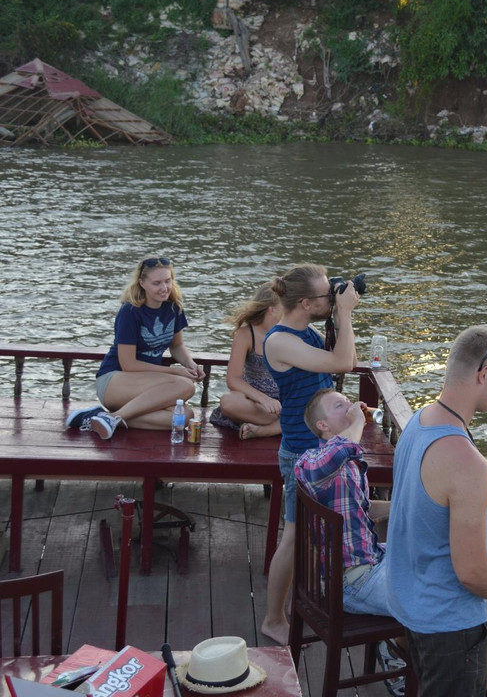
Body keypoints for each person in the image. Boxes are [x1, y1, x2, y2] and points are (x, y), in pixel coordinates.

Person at [385, 326, 487, 697]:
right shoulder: (469, 464)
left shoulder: (418, 424)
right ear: (483, 374)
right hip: (449, 629)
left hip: (410, 608)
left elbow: (428, 524)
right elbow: (469, 574)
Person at [259, 263, 361, 644]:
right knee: (293, 536)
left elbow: (340, 355)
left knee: (312, 532)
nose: (331, 298)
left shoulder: (308, 332)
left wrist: (338, 316)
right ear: (304, 302)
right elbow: (343, 363)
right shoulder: (280, 340)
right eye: (325, 295)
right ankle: (273, 619)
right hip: (302, 454)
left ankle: (312, 602)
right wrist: (345, 313)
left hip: (320, 448)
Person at [67, 256, 205, 440]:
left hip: (147, 383)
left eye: (167, 281)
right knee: (186, 386)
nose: (164, 288)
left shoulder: (174, 308)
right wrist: (176, 372)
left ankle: (102, 418)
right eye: (156, 283)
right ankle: (114, 416)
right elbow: (128, 364)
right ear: (142, 283)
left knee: (184, 417)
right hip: (114, 379)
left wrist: (190, 364)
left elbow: (177, 345)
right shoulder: (130, 311)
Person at [296, 388, 390, 614]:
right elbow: (340, 451)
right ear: (323, 425)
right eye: (340, 406)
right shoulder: (310, 462)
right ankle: (390, 649)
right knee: (433, 599)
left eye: (348, 402)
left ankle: (395, 647)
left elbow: (361, 508)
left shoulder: (348, 463)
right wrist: (357, 419)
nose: (350, 407)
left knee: (434, 557)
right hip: (352, 582)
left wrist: (406, 507)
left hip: (372, 559)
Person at [208, 282, 283, 439]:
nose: (291, 312)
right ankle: (283, 424)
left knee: (313, 405)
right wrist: (264, 399)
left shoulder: (294, 331)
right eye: (287, 307)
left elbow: (327, 350)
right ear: (271, 309)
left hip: (287, 402)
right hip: (255, 403)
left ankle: (264, 430)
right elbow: (233, 380)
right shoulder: (246, 334)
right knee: (228, 402)